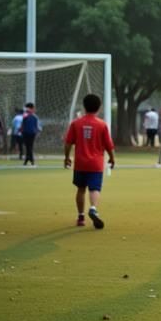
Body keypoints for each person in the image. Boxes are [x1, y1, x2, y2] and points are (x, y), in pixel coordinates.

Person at [64, 93, 116, 229]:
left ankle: (81, 217)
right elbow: (109, 145)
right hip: (96, 164)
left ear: (84, 106)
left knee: (81, 189)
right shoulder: (102, 125)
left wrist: (66, 157)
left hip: (80, 163)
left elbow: (68, 143)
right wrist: (112, 158)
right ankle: (93, 208)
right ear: (99, 108)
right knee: (94, 189)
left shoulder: (76, 123)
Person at [20, 102, 41, 166]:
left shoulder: (31, 116)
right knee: (29, 147)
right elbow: (23, 124)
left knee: (29, 147)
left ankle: (29, 160)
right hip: (27, 133)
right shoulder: (29, 116)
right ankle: (30, 160)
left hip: (30, 133)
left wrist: (38, 131)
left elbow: (36, 126)